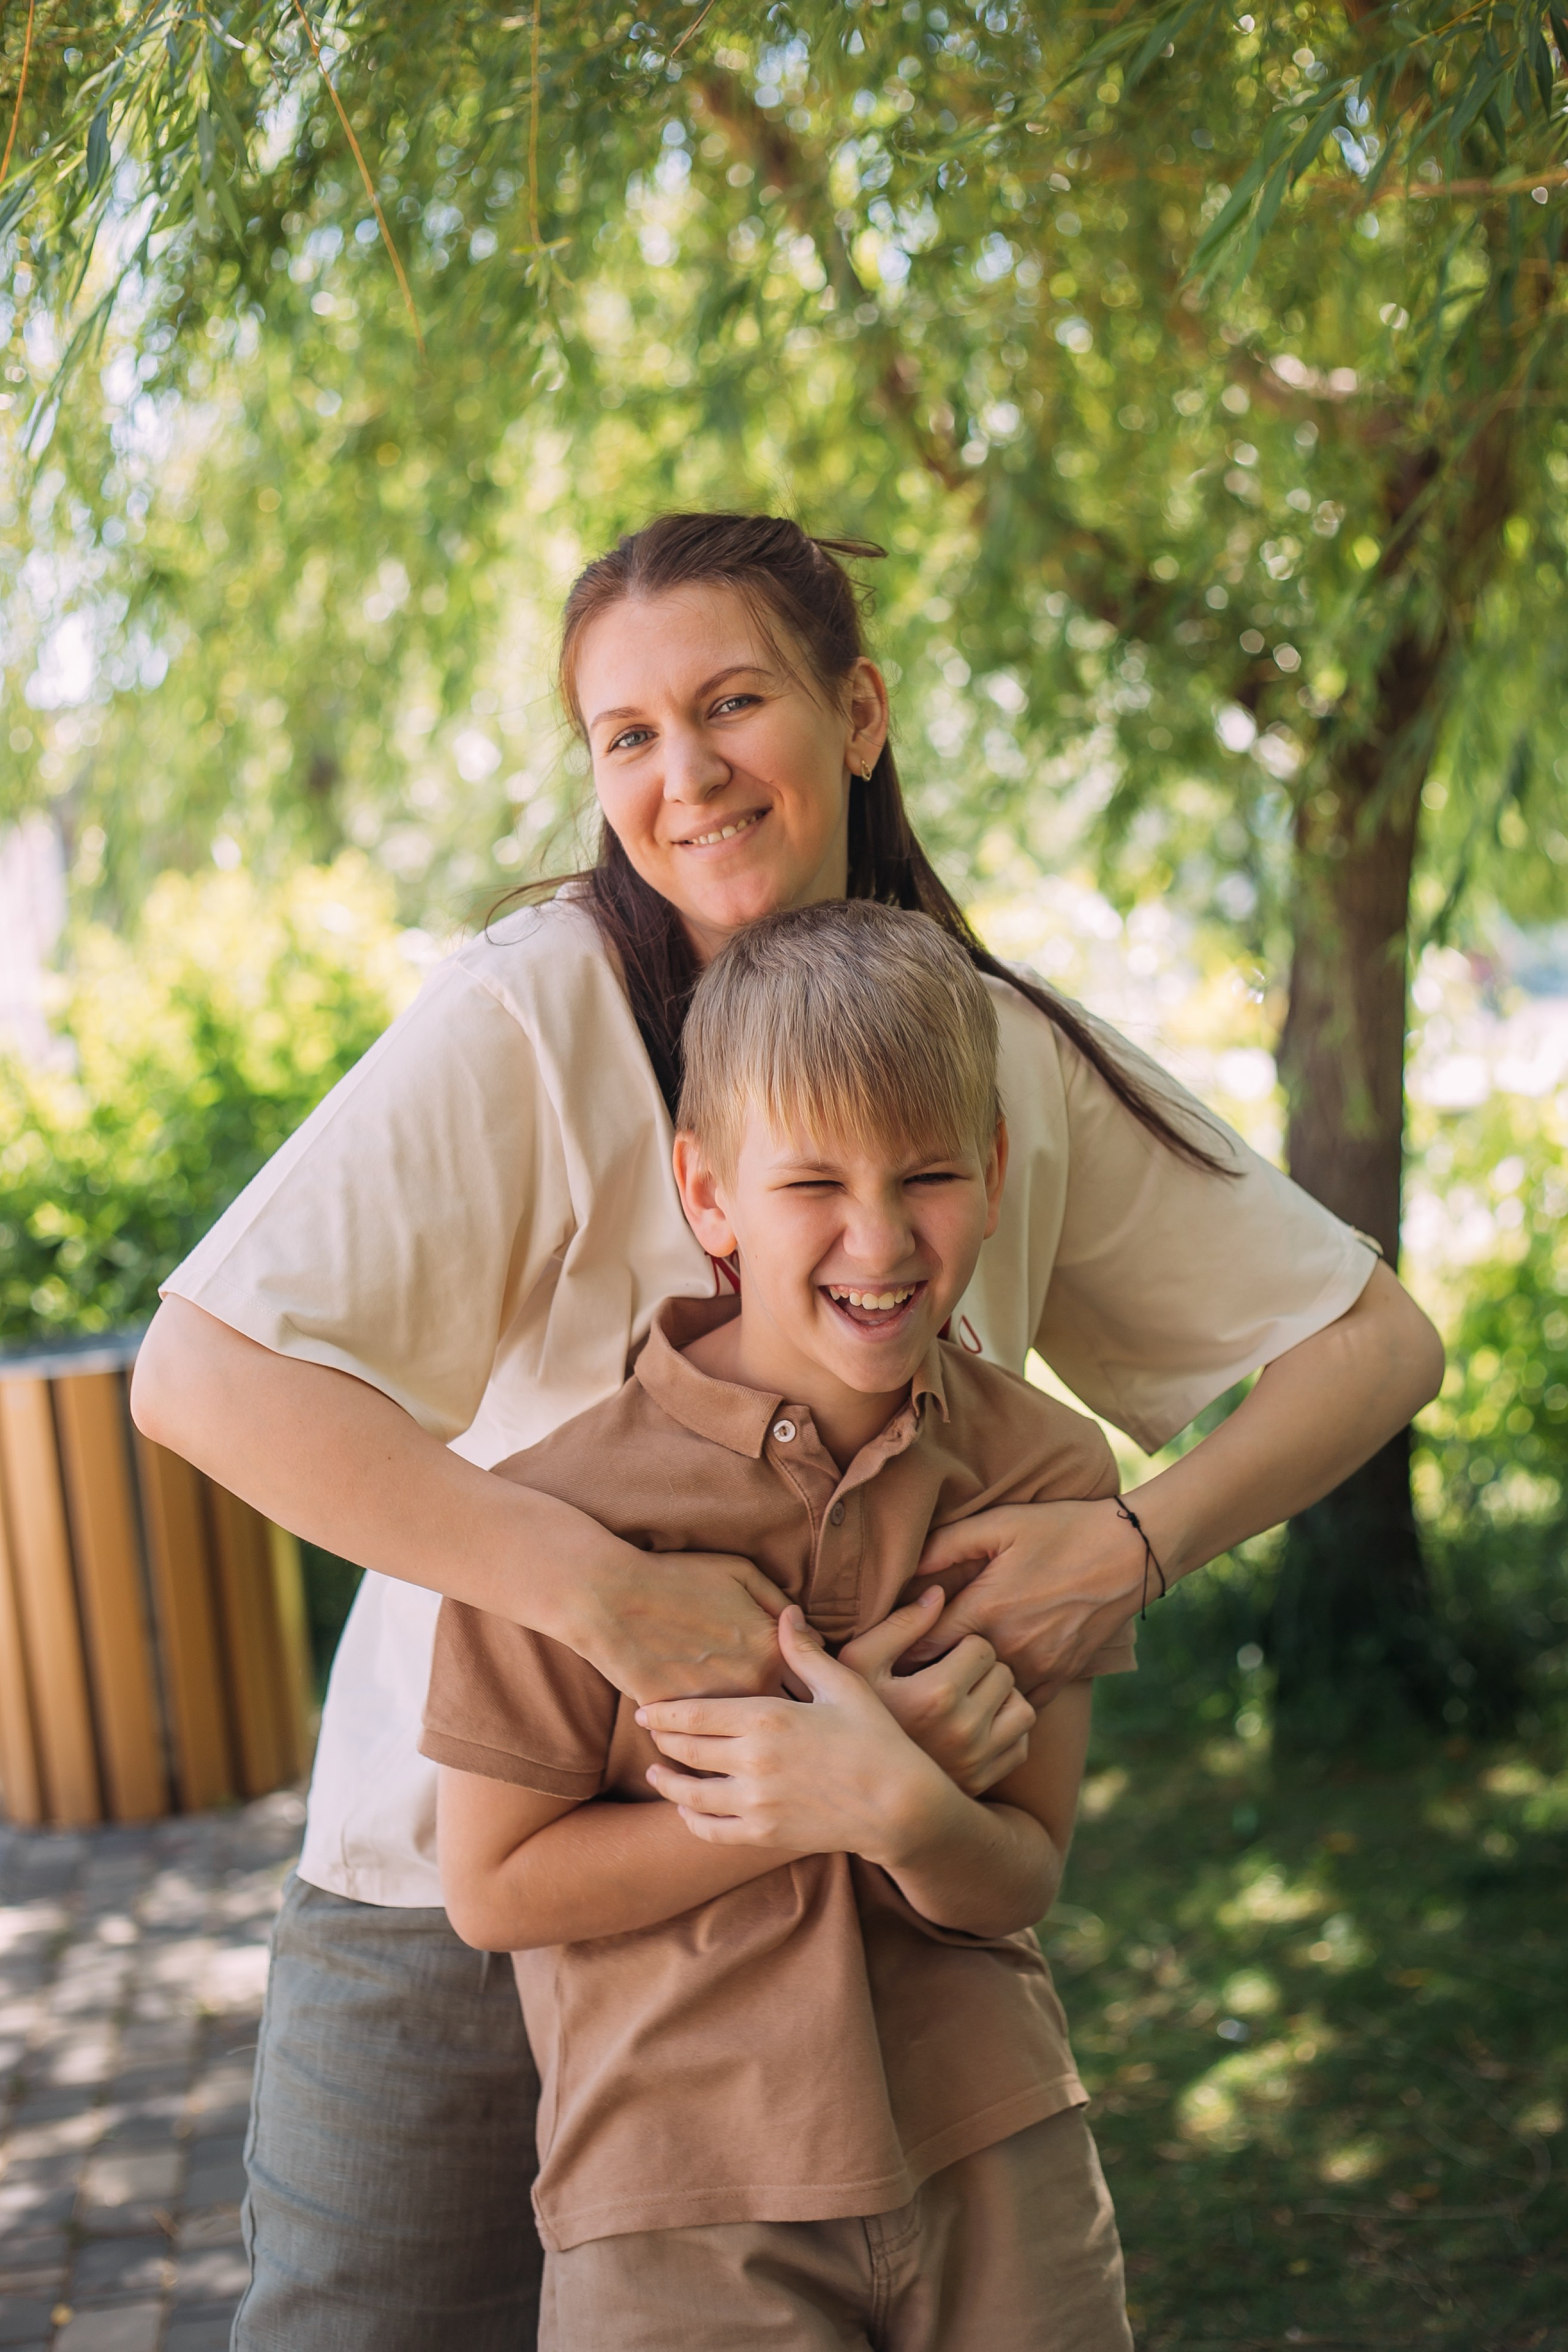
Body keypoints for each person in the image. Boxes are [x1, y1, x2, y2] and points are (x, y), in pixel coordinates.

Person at [129, 512, 1444, 2352]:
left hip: (884, 1928)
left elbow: (1371, 1344)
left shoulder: (997, 1059)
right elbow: (202, 1377)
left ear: (860, 712)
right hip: (468, 1885)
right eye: (627, 735)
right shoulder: (534, 1012)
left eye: (732, 703)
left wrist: (1137, 1542)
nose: (686, 775)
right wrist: (599, 1594)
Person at [425, 900, 1136, 2351]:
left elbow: (1020, 1877)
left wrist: (902, 1809)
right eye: (810, 1181)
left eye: (928, 1173)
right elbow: (492, 1891)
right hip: (673, 2206)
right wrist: (803, 1799)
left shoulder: (1049, 1481)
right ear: (706, 1195)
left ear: (994, 1173)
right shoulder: (560, 1516)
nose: (878, 1238)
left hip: (995, 2155)